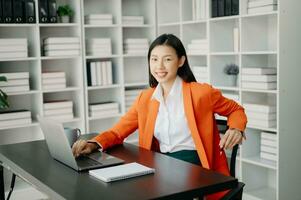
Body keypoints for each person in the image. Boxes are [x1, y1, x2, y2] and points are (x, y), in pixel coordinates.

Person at [72, 34, 247, 199]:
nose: (159, 66)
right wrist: (93, 143)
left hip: (195, 165)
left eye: (167, 59)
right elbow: (118, 132)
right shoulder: (146, 98)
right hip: (161, 164)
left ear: (181, 61)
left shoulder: (201, 93)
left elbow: (236, 110)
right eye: (154, 59)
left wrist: (236, 128)